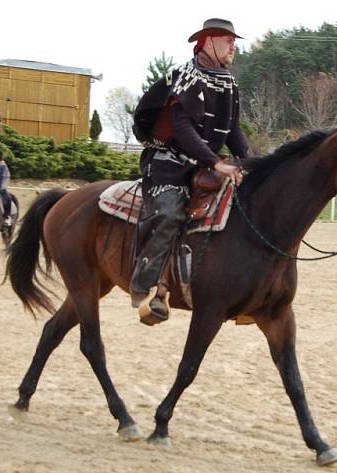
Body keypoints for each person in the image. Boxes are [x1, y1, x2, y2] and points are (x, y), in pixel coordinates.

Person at [129, 18, 251, 325]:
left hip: (203, 161)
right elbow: (182, 128)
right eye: (227, 40)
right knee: (170, 213)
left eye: (234, 41)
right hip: (168, 162)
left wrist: (251, 163)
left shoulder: (229, 83)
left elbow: (233, 130)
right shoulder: (186, 77)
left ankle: (247, 292)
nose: (233, 46)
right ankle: (145, 285)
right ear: (208, 41)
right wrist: (217, 163)